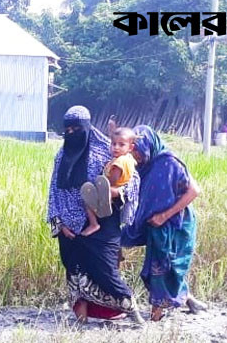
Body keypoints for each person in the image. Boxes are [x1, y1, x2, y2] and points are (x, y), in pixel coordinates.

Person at [47, 106, 143, 324]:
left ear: (88, 127)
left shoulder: (106, 152)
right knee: (74, 272)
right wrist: (59, 224)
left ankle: (131, 309)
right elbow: (53, 192)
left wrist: (118, 192)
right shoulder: (61, 156)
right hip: (68, 228)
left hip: (103, 223)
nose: (72, 133)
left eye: (77, 128)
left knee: (105, 272)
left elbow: (133, 181)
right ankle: (80, 321)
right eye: (68, 130)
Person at [121, 125, 206, 322]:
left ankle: (156, 315)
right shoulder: (142, 166)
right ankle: (187, 300)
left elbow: (194, 191)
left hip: (176, 225)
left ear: (149, 146)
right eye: (133, 151)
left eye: (138, 151)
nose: (136, 156)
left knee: (165, 267)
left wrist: (164, 216)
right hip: (156, 225)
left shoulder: (169, 163)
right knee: (162, 266)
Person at [79, 126, 138, 236]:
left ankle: (94, 223)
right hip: (70, 232)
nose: (116, 147)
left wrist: (113, 190)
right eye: (113, 144)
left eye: (121, 145)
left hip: (111, 199)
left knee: (86, 197)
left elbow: (115, 181)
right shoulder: (128, 158)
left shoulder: (116, 159)